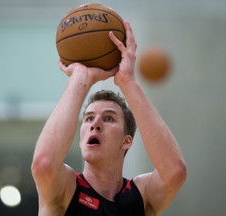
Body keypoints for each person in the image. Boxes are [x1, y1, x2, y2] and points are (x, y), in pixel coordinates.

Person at [31, 21, 187, 216]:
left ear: (126, 141)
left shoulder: (141, 195)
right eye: (88, 119)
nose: (95, 124)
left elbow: (174, 171)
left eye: (109, 119)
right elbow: (43, 164)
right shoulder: (66, 189)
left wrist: (127, 82)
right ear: (80, 139)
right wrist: (80, 79)